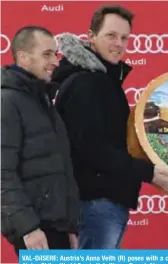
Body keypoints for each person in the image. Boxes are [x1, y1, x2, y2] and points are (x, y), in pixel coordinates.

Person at [51, 5, 168, 249]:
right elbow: (92, 148)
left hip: (100, 202)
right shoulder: (87, 83)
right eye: (111, 35)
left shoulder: (101, 80)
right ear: (91, 37)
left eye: (124, 38)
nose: (118, 44)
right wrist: (148, 171)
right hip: (95, 202)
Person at [1, 26, 80, 255]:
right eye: (46, 54)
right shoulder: (7, 101)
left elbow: (60, 167)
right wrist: (28, 228)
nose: (55, 61)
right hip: (37, 232)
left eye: (55, 54)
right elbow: (2, 173)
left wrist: (69, 226)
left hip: (56, 229)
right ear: (24, 57)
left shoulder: (42, 99)